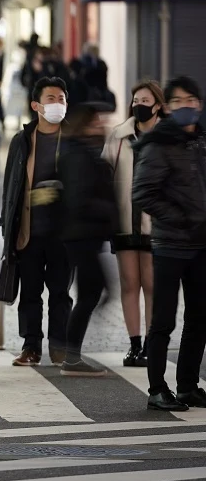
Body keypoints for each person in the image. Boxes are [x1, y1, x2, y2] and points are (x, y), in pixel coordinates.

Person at [132, 75, 206, 412]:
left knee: (199, 318)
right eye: (178, 102)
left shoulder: (201, 142)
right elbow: (144, 193)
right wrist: (181, 218)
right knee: (163, 320)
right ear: (167, 108)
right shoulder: (159, 144)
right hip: (169, 245)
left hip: (201, 245)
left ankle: (188, 386)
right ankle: (158, 389)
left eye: (191, 100)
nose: (186, 107)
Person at [0, 77, 73, 367]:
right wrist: (8, 225)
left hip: (63, 232)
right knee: (30, 292)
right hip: (28, 230)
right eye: (51, 98)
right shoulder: (22, 141)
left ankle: (59, 345)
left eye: (61, 99)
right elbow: (11, 184)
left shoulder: (72, 141)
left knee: (60, 292)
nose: (57, 104)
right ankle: (31, 346)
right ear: (36, 105)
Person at [102, 81, 164, 367]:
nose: (139, 104)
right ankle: (134, 345)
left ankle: (152, 343)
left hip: (157, 224)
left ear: (158, 105)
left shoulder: (167, 138)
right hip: (125, 222)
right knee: (130, 283)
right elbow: (104, 175)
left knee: (151, 284)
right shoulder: (119, 135)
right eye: (136, 99)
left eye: (145, 99)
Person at [59, 101, 118, 377]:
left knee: (93, 292)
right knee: (91, 293)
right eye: (96, 121)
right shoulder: (79, 156)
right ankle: (70, 354)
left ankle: (70, 350)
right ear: (84, 125)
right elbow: (79, 199)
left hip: (87, 235)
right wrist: (109, 210)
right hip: (81, 235)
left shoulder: (84, 152)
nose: (102, 125)